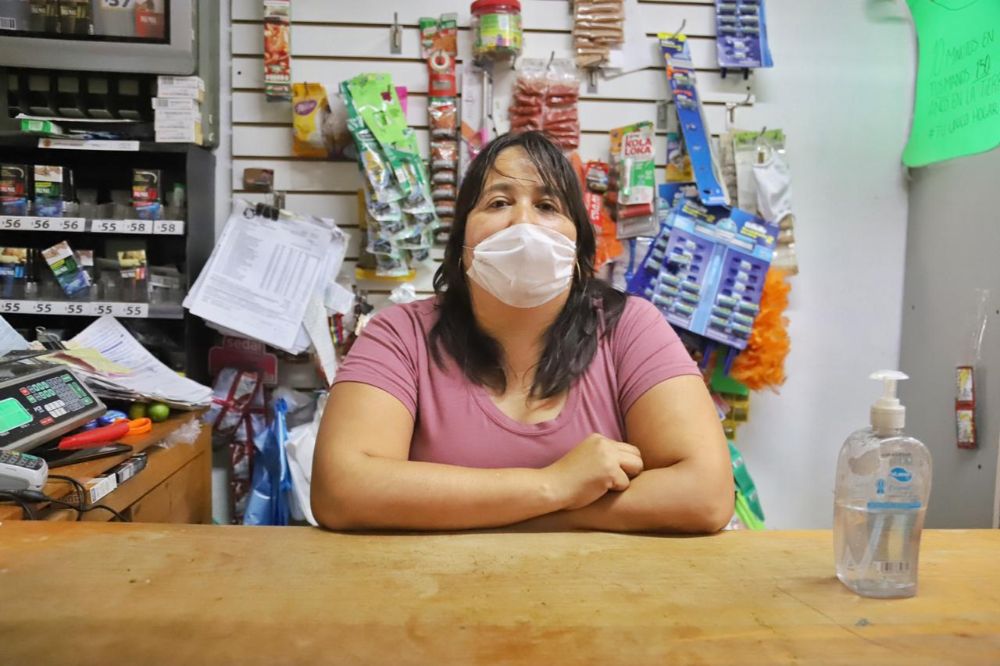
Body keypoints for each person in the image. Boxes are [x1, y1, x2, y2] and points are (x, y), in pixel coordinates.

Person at [312, 131, 733, 533]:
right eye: (498, 203)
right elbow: (341, 490)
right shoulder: (399, 335)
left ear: (579, 250)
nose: (524, 223)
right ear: (460, 245)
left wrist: (529, 518)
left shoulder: (630, 328)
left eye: (548, 206)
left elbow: (705, 495)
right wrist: (554, 486)